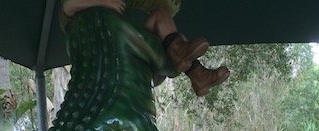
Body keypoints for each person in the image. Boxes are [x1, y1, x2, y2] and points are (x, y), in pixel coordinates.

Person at [62, 0, 229, 97]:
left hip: (133, 49)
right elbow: (69, 6)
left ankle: (195, 70)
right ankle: (194, 71)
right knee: (163, 23)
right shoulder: (88, 17)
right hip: (108, 53)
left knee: (166, 22)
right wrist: (104, 2)